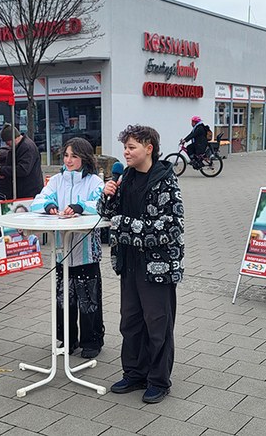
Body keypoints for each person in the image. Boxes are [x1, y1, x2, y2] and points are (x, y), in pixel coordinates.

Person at [97, 124, 184, 404]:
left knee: (157, 325)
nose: (126, 152)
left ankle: (158, 380)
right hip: (129, 264)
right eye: (125, 147)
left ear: (149, 149)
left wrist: (123, 226)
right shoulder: (127, 178)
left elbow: (170, 227)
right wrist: (106, 194)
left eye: (132, 147)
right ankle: (134, 373)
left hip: (157, 267)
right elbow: (107, 214)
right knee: (130, 322)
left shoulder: (165, 181)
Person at [31, 137, 105, 359]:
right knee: (64, 298)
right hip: (61, 251)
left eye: (74, 155)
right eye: (66, 155)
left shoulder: (94, 181)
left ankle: (92, 341)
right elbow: (38, 199)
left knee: (88, 298)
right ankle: (67, 339)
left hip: (86, 252)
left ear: (84, 157)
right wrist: (49, 205)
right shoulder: (56, 180)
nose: (69, 160)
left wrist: (81, 207)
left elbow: (101, 203)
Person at [0, 124, 44, 198]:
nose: (7, 145)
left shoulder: (26, 147)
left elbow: (23, 170)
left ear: (12, 139)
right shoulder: (21, 146)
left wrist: (2, 170)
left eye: (7, 142)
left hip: (29, 192)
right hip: (25, 190)